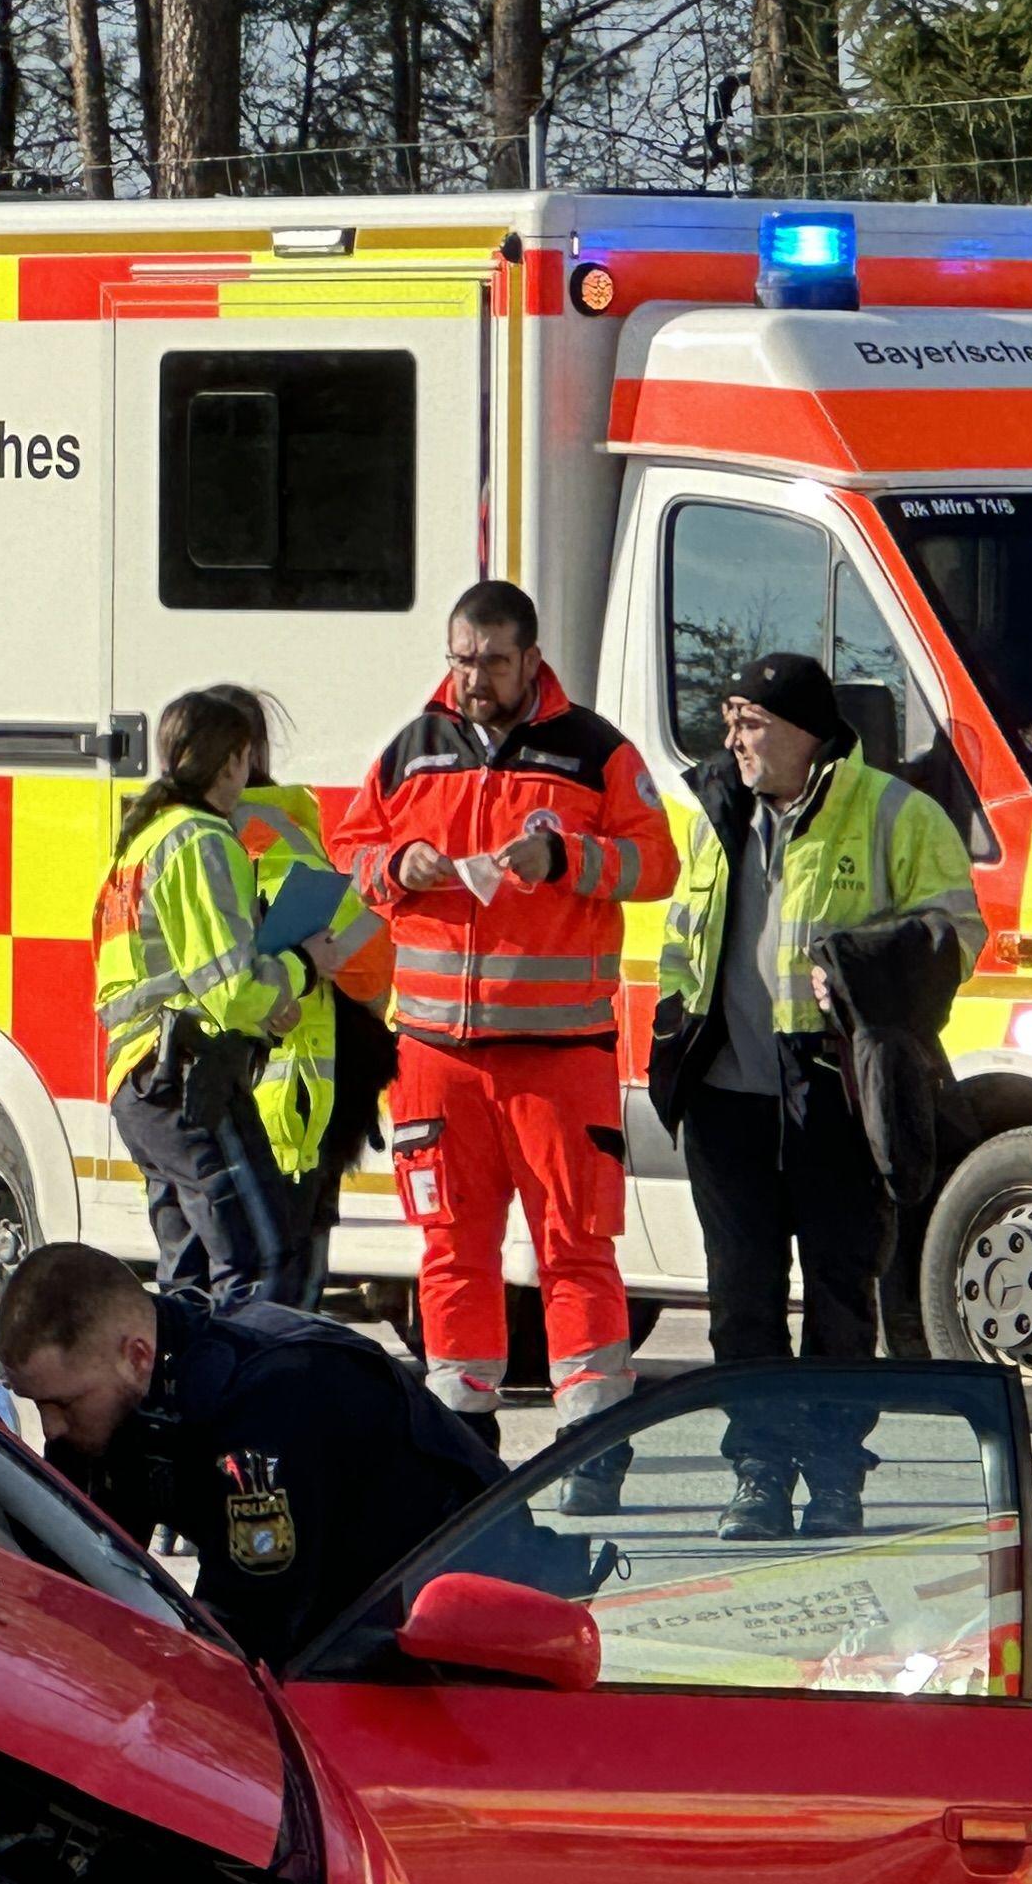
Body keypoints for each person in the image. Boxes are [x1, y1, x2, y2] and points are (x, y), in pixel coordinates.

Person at [331, 581, 675, 1454]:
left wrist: (567, 854)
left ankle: (594, 1442)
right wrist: (395, 864)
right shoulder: (412, 751)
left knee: (575, 1249)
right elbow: (349, 848)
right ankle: (460, 1433)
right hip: (437, 1054)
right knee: (451, 1249)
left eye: (489, 660)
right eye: (460, 658)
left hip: (559, 1055)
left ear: (529, 658)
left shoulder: (595, 751)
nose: (471, 677)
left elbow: (657, 862)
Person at [649, 650, 981, 1541]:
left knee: (840, 1298)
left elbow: (959, 931)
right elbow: (684, 939)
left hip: (834, 1090)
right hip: (727, 1097)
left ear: (802, 731)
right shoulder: (712, 811)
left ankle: (835, 1479)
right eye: (729, 720)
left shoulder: (894, 812)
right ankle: (758, 1476)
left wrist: (869, 974)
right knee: (742, 1303)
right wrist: (675, 1037)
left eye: (749, 723)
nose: (733, 738)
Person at [0, 1241, 509, 1666]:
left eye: (63, 1404)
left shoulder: (263, 1398)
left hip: (468, 1616)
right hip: (345, 1618)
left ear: (137, 1356)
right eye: (38, 1404)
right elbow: (70, 1560)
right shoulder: (127, 1394)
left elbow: (245, 1632)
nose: (52, 1428)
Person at [96, 688, 344, 1304]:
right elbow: (232, 991)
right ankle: (244, 1401)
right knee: (262, 1262)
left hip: (142, 1084)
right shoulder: (202, 839)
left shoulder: (143, 838)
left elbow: (189, 977)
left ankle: (180, 1398)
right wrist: (305, 966)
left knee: (190, 1278)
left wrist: (264, 999)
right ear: (235, 760)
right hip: (188, 1083)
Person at [229, 702, 393, 1313]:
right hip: (293, 1108)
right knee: (285, 1299)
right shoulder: (284, 837)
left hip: (199, 1102)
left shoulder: (156, 841)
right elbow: (374, 966)